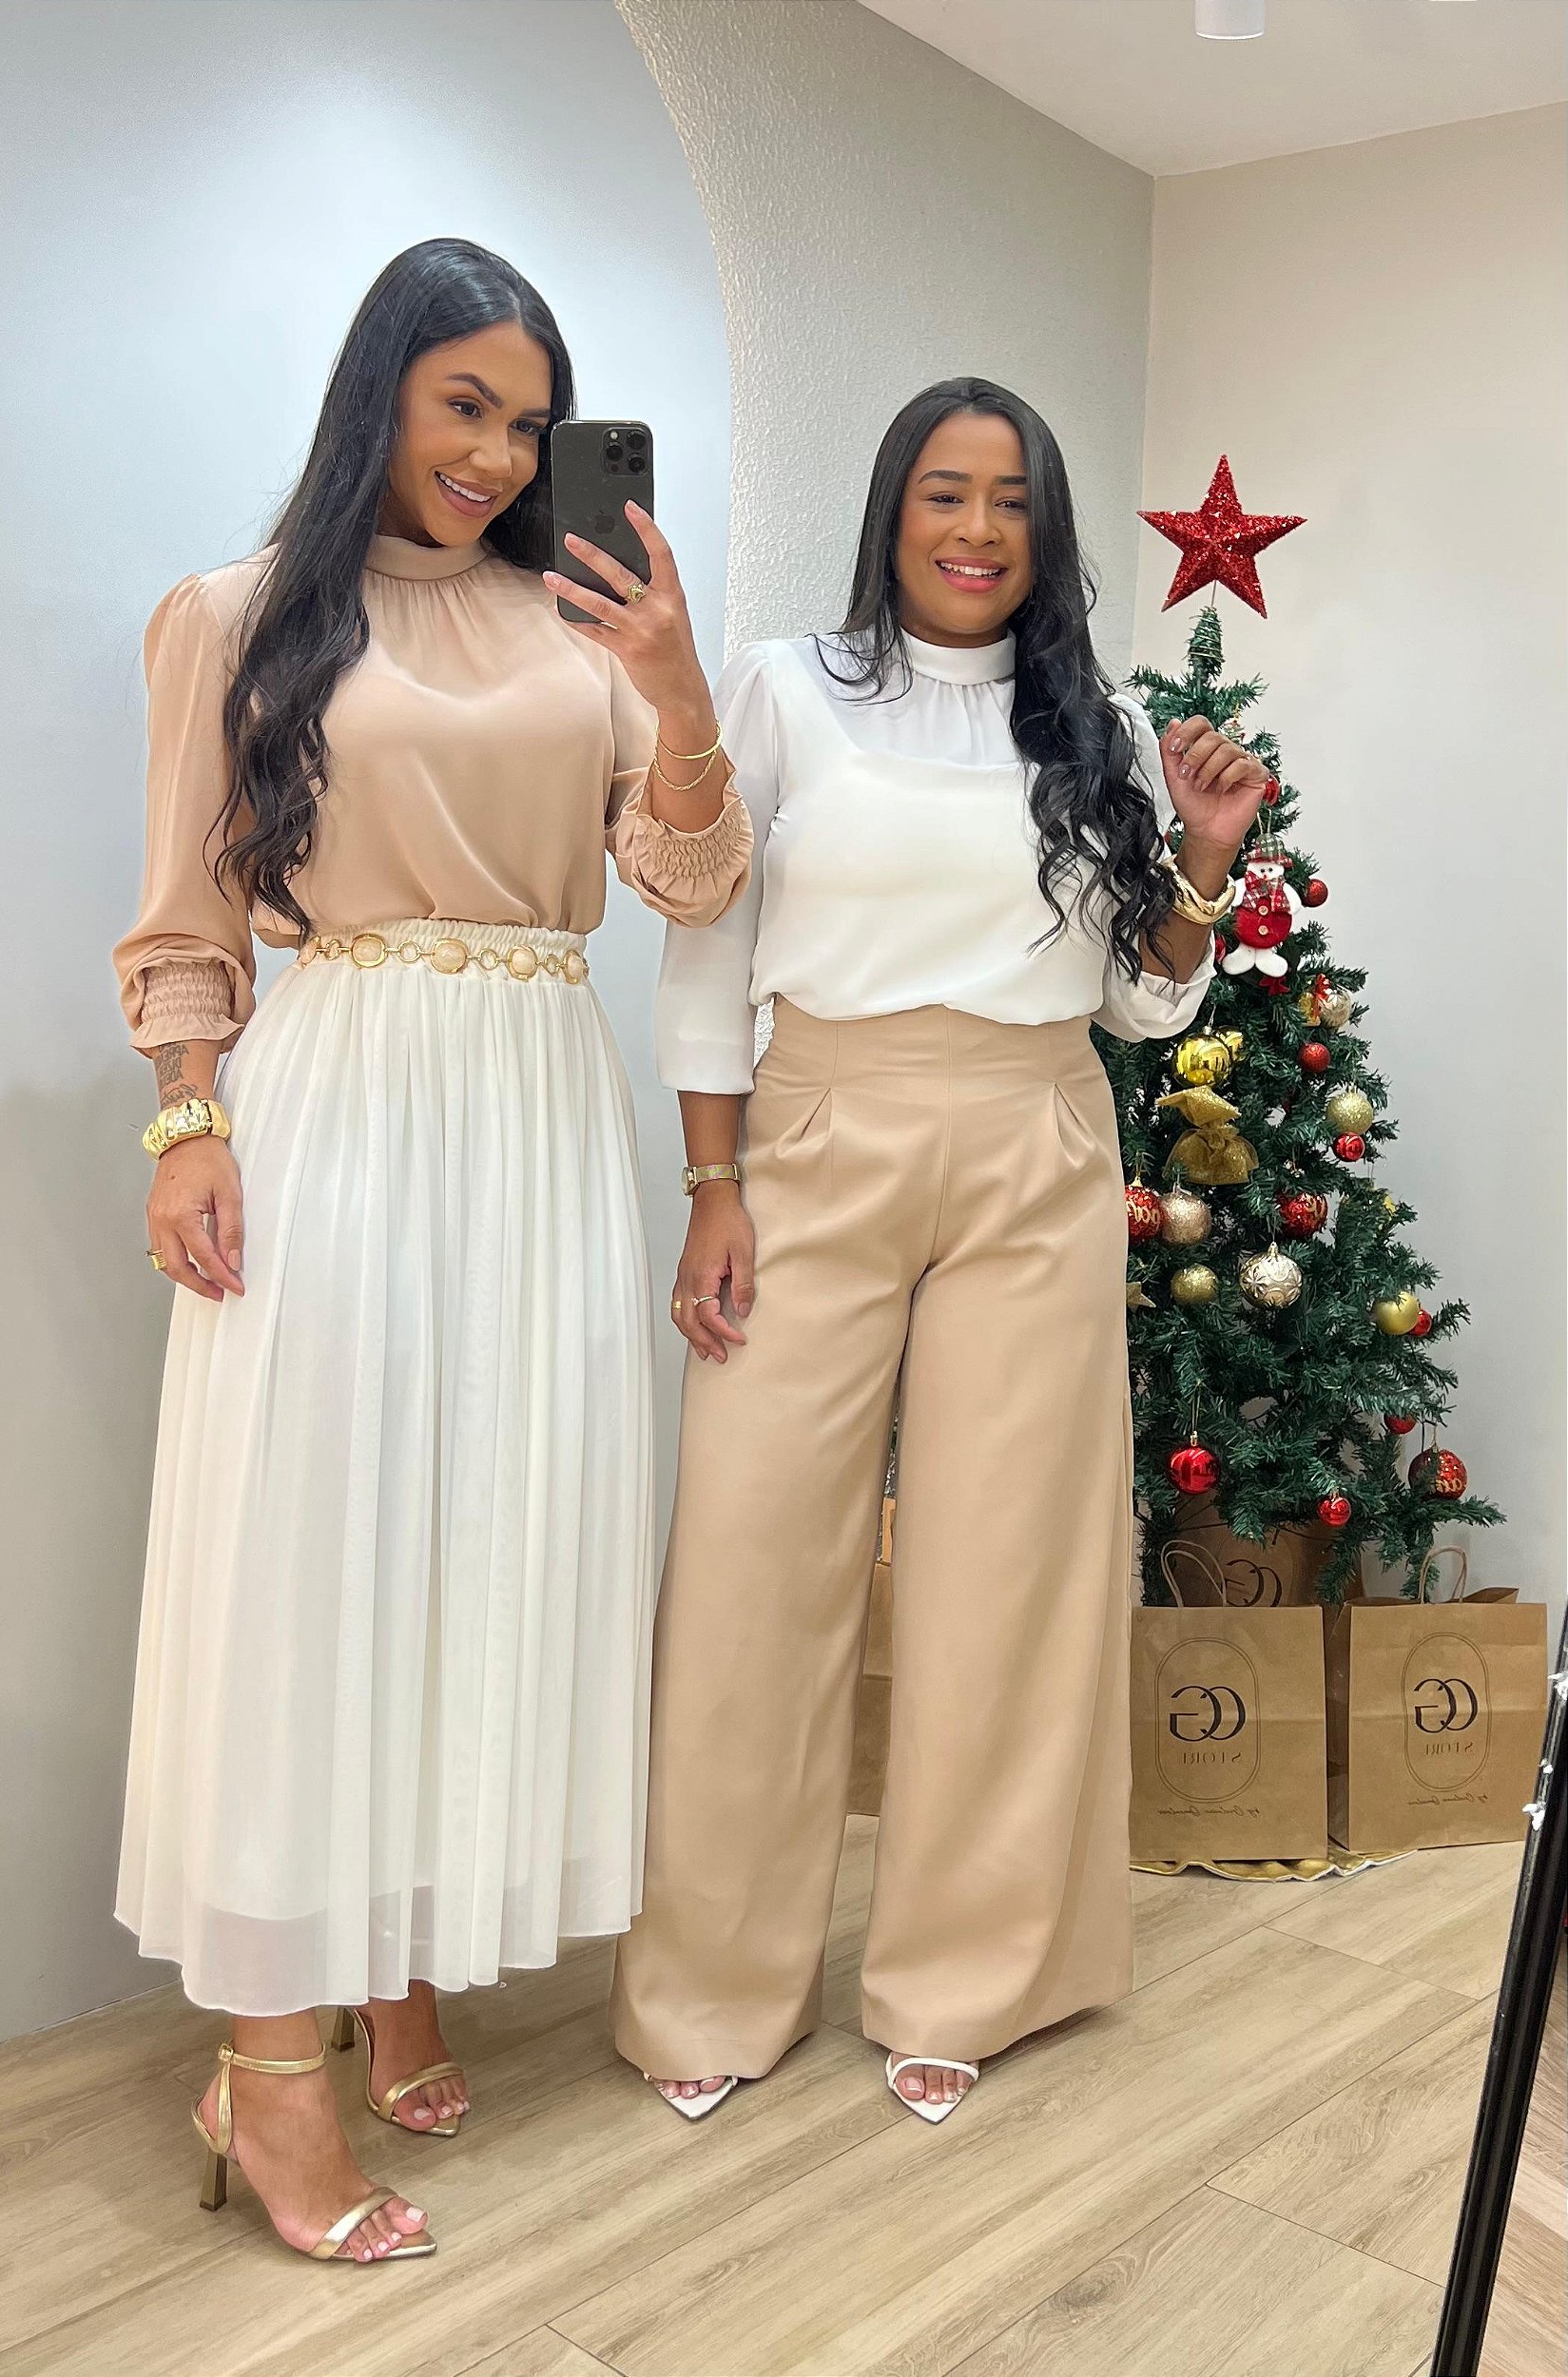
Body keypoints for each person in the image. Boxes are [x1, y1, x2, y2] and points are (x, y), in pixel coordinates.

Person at [112, 238, 749, 2260]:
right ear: (377, 389)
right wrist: (190, 1116)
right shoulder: (234, 616)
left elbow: (692, 879)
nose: (497, 456)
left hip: (539, 1107)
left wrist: (672, 686)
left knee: (487, 1533)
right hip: (351, 1091)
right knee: (310, 1557)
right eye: (464, 404)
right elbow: (185, 904)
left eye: (532, 425)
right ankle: (269, 2069)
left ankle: (400, 1977)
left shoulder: (579, 627)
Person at [610, 377, 1267, 2124]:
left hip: (1035, 1136)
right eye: (945, 494)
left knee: (1006, 1574)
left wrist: (1202, 865)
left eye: (1012, 502)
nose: (978, 530)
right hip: (814, 1128)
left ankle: (964, 1975)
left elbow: (1139, 1000)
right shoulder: (782, 688)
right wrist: (714, 1183)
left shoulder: (1098, 727)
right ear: (891, 510)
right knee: (751, 1563)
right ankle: (710, 1989)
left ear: (1046, 534)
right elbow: (708, 939)